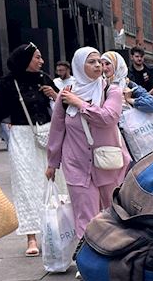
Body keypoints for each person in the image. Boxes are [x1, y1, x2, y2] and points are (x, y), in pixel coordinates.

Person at [0, 43, 60, 257]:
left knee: (53, 182)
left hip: (47, 134)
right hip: (22, 136)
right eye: (37, 57)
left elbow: (65, 107)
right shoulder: (8, 83)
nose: (41, 61)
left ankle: (54, 230)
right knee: (26, 184)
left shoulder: (44, 78)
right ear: (25, 60)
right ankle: (31, 236)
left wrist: (55, 95)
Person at [46, 47, 127, 240]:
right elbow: (57, 129)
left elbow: (108, 117)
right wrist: (52, 163)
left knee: (111, 214)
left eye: (99, 61)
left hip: (108, 163)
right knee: (85, 217)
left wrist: (80, 104)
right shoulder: (66, 94)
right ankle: (87, 254)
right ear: (79, 65)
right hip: (76, 164)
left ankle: (111, 250)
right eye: (91, 62)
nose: (98, 65)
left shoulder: (111, 91)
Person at [103, 51, 153, 115]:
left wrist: (129, 99)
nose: (104, 68)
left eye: (107, 64)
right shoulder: (101, 85)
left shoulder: (128, 84)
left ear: (117, 64)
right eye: (102, 64)